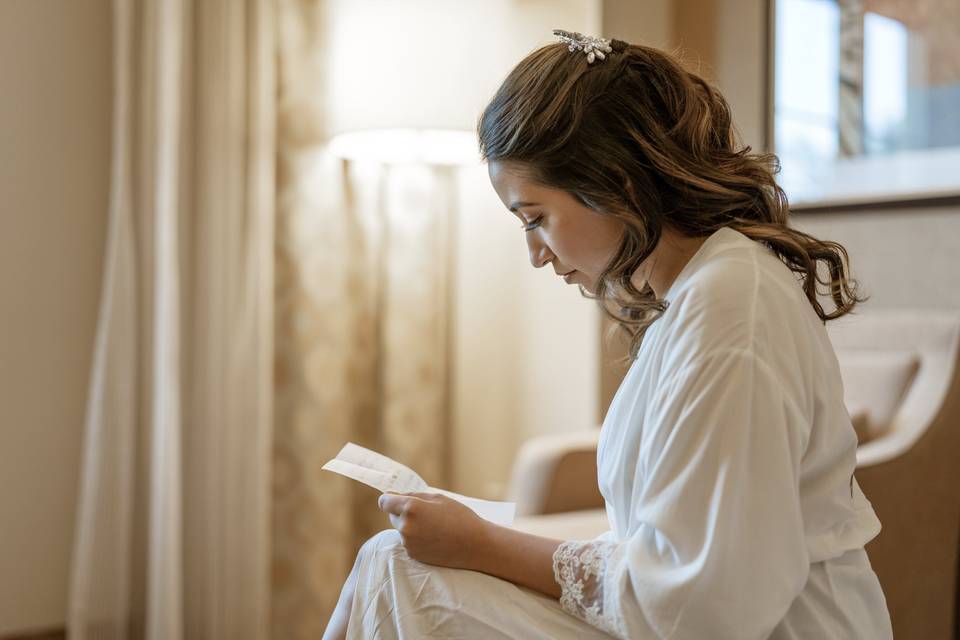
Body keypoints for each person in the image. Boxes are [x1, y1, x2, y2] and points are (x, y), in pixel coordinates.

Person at [322, 29, 893, 639]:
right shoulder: (699, 295)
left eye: (536, 219)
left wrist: (485, 544)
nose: (536, 256)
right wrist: (480, 543)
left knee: (395, 568)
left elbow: (700, 602)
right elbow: (667, 553)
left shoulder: (732, 306)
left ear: (616, 183)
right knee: (394, 561)